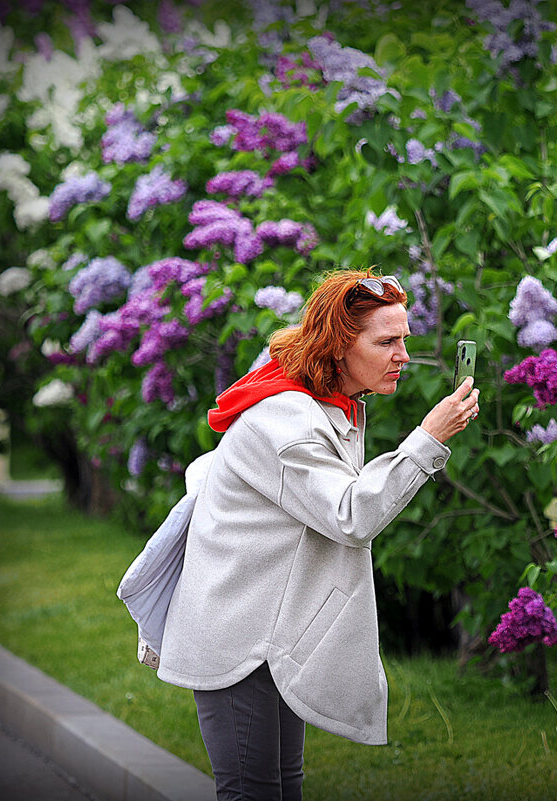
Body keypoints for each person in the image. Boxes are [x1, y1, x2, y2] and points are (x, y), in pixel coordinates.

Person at [157, 268, 479, 800]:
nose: (403, 355)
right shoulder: (287, 421)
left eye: (405, 339)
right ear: (338, 345)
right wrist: (426, 440)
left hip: (268, 634)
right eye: (386, 341)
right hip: (241, 640)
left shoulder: (326, 405)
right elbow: (350, 515)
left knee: (283, 786)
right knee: (253, 791)